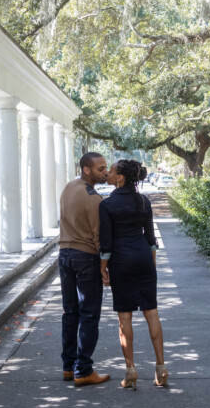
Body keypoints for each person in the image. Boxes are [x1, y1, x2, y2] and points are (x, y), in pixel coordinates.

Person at [99, 159, 168, 390]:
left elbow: (106, 243)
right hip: (144, 259)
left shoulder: (107, 205)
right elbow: (151, 238)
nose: (107, 174)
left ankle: (131, 371)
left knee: (124, 318)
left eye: (111, 171)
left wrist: (102, 269)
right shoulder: (143, 201)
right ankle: (161, 369)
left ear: (120, 177)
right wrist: (152, 264)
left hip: (121, 261)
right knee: (152, 313)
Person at [58, 151, 111, 387]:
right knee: (89, 314)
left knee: (70, 312)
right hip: (85, 258)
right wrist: (104, 267)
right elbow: (98, 237)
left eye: (106, 167)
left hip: (64, 255)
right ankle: (84, 370)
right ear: (86, 169)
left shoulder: (69, 187)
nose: (105, 172)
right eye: (101, 168)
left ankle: (68, 367)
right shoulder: (94, 198)